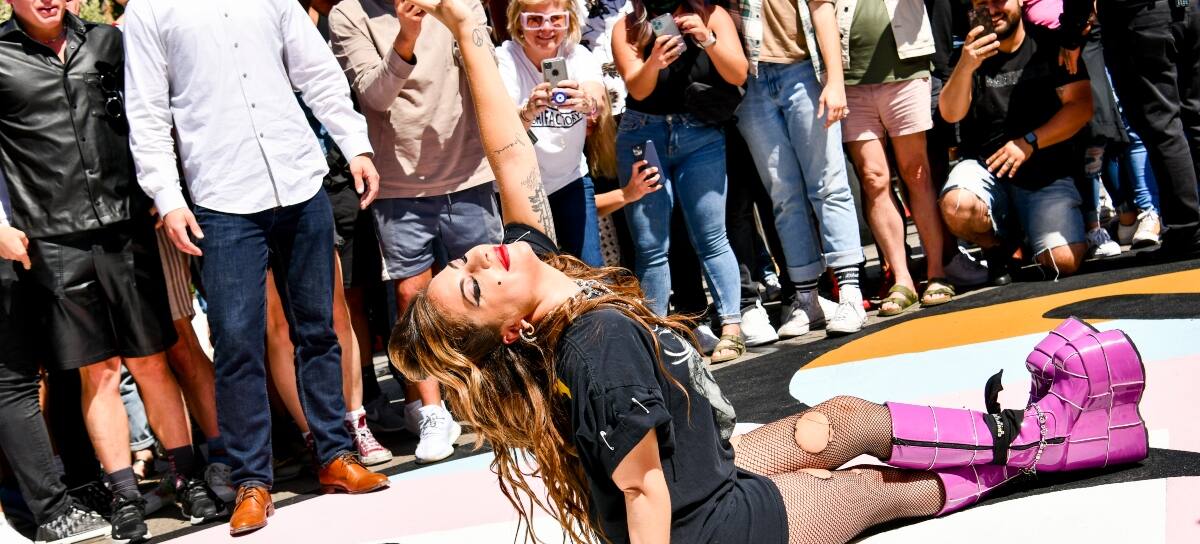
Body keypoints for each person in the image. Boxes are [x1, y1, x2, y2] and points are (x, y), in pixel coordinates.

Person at [387, 4, 1150, 542]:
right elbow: (642, 492)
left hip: (706, 476)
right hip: (713, 526)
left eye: (462, 263)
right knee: (871, 491)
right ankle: (1046, 440)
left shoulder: (544, 271)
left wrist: (466, 27)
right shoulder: (594, 341)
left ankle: (1017, 431)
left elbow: (510, 155)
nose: (479, 256)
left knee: (841, 419)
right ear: (512, 330)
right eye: (474, 287)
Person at [123, 0, 390, 535]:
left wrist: (354, 144)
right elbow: (147, 111)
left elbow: (316, 71)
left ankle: (336, 455)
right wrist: (168, 197)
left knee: (318, 329)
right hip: (221, 197)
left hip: (299, 178)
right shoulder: (149, 10)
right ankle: (252, 482)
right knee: (236, 343)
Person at [0, 3, 226, 542]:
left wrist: (164, 190)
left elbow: (154, 116)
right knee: (97, 372)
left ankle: (187, 476)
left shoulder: (110, 42)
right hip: (52, 239)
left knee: (152, 361)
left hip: (127, 226)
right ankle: (125, 492)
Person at [329, 0, 499, 463]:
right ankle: (431, 411)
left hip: (469, 171)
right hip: (398, 182)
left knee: (490, 292)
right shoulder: (348, 14)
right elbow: (374, 96)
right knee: (411, 297)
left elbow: (485, 67)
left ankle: (500, 395)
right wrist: (406, 35)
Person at [611, 0, 749, 363]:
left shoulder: (711, 14)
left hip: (699, 133)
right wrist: (654, 61)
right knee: (651, 244)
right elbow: (637, 89)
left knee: (712, 236)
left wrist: (707, 40)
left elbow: (738, 74)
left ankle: (732, 329)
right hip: (644, 134)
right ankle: (657, 342)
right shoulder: (628, 26)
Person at [730, 0, 868, 338]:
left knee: (828, 184)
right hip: (752, 80)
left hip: (802, 69)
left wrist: (835, 80)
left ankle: (850, 293)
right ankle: (807, 299)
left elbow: (822, 8)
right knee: (783, 195)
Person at [937, 0, 1093, 281]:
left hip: (1046, 172)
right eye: (982, 3)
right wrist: (966, 66)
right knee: (956, 205)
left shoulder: (1049, 44)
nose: (992, 9)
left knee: (1062, 263)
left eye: (999, 0)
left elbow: (1081, 106)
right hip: (987, 170)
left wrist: (1029, 142)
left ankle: (1034, 233)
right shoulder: (967, 55)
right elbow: (950, 113)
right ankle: (998, 246)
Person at [0, 175, 111, 544]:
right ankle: (53, 513)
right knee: (14, 383)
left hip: (35, 232)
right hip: (8, 241)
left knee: (63, 363)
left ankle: (79, 489)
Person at [838, 0, 955, 315]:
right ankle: (902, 279)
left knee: (916, 172)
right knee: (873, 178)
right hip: (848, 78)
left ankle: (936, 272)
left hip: (906, 68)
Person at [1062, 0, 1199, 258]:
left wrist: (1072, 32)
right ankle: (1187, 230)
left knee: (1162, 127)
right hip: (1187, 9)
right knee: (1193, 120)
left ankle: (1188, 232)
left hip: (1140, 18)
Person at [498, 0, 607, 266]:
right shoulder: (505, 58)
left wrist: (587, 102)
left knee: (589, 268)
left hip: (572, 181)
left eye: (556, 19)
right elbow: (503, 129)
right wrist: (528, 111)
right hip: (522, 189)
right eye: (535, 20)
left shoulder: (577, 55)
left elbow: (598, 97)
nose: (546, 28)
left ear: (568, 21)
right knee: (534, 273)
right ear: (519, 24)